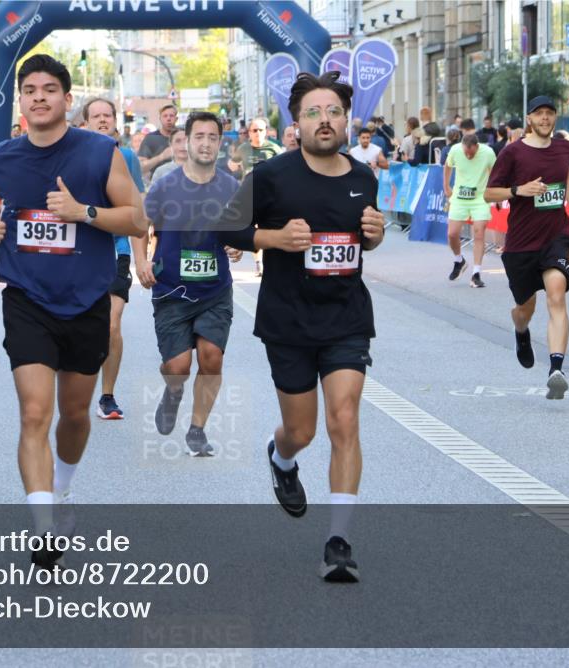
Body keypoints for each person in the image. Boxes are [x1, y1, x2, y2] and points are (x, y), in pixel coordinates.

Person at [0, 55, 144, 570]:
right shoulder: (2, 157)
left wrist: (82, 213)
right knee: (35, 411)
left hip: (86, 298)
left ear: (66, 99)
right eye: (30, 90)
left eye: (49, 89)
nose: (39, 97)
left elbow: (137, 218)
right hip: (26, 297)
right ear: (21, 101)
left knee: (76, 413)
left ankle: (61, 489)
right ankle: (42, 527)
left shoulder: (101, 152)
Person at [218, 71, 386, 583]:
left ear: (346, 118)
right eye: (313, 113)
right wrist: (273, 237)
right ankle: (282, 459)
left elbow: (363, 241)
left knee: (344, 418)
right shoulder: (271, 176)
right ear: (296, 123)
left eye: (333, 111)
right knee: (303, 430)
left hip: (345, 317)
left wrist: (374, 236)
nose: (324, 121)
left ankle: (339, 541)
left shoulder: (364, 178)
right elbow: (229, 226)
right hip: (288, 319)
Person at [131, 112, 241, 456]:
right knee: (177, 368)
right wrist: (141, 261)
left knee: (211, 358)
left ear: (219, 144)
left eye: (212, 137)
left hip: (215, 290)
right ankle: (173, 391)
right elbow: (138, 225)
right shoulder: (165, 185)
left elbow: (244, 231)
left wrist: (240, 244)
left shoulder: (231, 187)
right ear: (187, 142)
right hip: (171, 290)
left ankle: (197, 429)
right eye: (199, 137)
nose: (206, 143)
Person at [484, 95, 569, 400]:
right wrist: (519, 190)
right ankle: (520, 331)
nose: (545, 118)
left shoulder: (565, 147)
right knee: (524, 309)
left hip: (556, 235)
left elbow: (565, 175)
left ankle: (556, 369)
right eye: (539, 114)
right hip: (521, 242)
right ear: (529, 118)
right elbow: (489, 193)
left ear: (555, 118)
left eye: (549, 113)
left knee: (557, 294)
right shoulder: (513, 152)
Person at [81, 97, 147, 420]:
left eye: (108, 115)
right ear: (85, 122)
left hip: (116, 250)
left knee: (111, 323)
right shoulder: (73, 155)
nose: (103, 120)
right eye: (97, 116)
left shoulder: (128, 157)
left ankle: (107, 396)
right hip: (80, 250)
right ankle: (76, 385)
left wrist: (143, 258)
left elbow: (139, 212)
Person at [229, 117, 284, 276]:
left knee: (269, 228)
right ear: (249, 133)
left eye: (261, 130)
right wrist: (242, 172)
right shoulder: (243, 148)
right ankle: (259, 263)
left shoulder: (274, 149)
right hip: (249, 193)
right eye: (254, 130)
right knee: (254, 229)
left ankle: (270, 261)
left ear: (266, 131)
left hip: (271, 194)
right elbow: (232, 166)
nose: (258, 133)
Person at [444, 134, 497, 287]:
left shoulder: (487, 153)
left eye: (471, 153)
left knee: (479, 233)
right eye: (465, 152)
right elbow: (447, 166)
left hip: (480, 198)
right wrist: (446, 186)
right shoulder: (455, 150)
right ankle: (459, 260)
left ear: (477, 146)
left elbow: (496, 172)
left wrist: (495, 193)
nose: (468, 155)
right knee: (452, 234)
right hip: (459, 198)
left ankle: (476, 273)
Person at [138, 104, 178, 180]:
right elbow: (141, 167)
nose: (168, 119)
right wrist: (161, 157)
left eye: (171, 116)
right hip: (158, 184)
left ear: (176, 119)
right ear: (160, 119)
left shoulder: (183, 137)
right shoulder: (151, 138)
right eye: (165, 116)